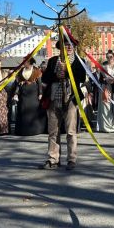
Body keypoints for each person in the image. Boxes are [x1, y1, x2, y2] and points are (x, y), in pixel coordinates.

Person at [40, 36, 86, 171]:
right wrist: (56, 75)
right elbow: (45, 77)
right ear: (61, 47)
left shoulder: (79, 61)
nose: (69, 47)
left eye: (71, 44)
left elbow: (82, 77)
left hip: (70, 99)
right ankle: (53, 158)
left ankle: (71, 159)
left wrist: (67, 72)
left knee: (71, 132)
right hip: (54, 98)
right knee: (53, 131)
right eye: (66, 44)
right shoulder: (53, 60)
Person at [96, 50, 114, 133]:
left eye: (111, 57)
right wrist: (105, 80)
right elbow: (100, 80)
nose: (109, 59)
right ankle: (106, 127)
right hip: (106, 89)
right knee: (106, 108)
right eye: (108, 57)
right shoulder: (103, 68)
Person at [14, 57, 44, 136]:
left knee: (33, 110)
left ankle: (35, 130)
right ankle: (23, 130)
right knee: (23, 109)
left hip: (33, 93)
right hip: (23, 92)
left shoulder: (36, 70)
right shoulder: (21, 71)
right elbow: (18, 83)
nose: (24, 63)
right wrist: (16, 94)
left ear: (30, 62)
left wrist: (40, 93)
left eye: (25, 62)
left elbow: (40, 83)